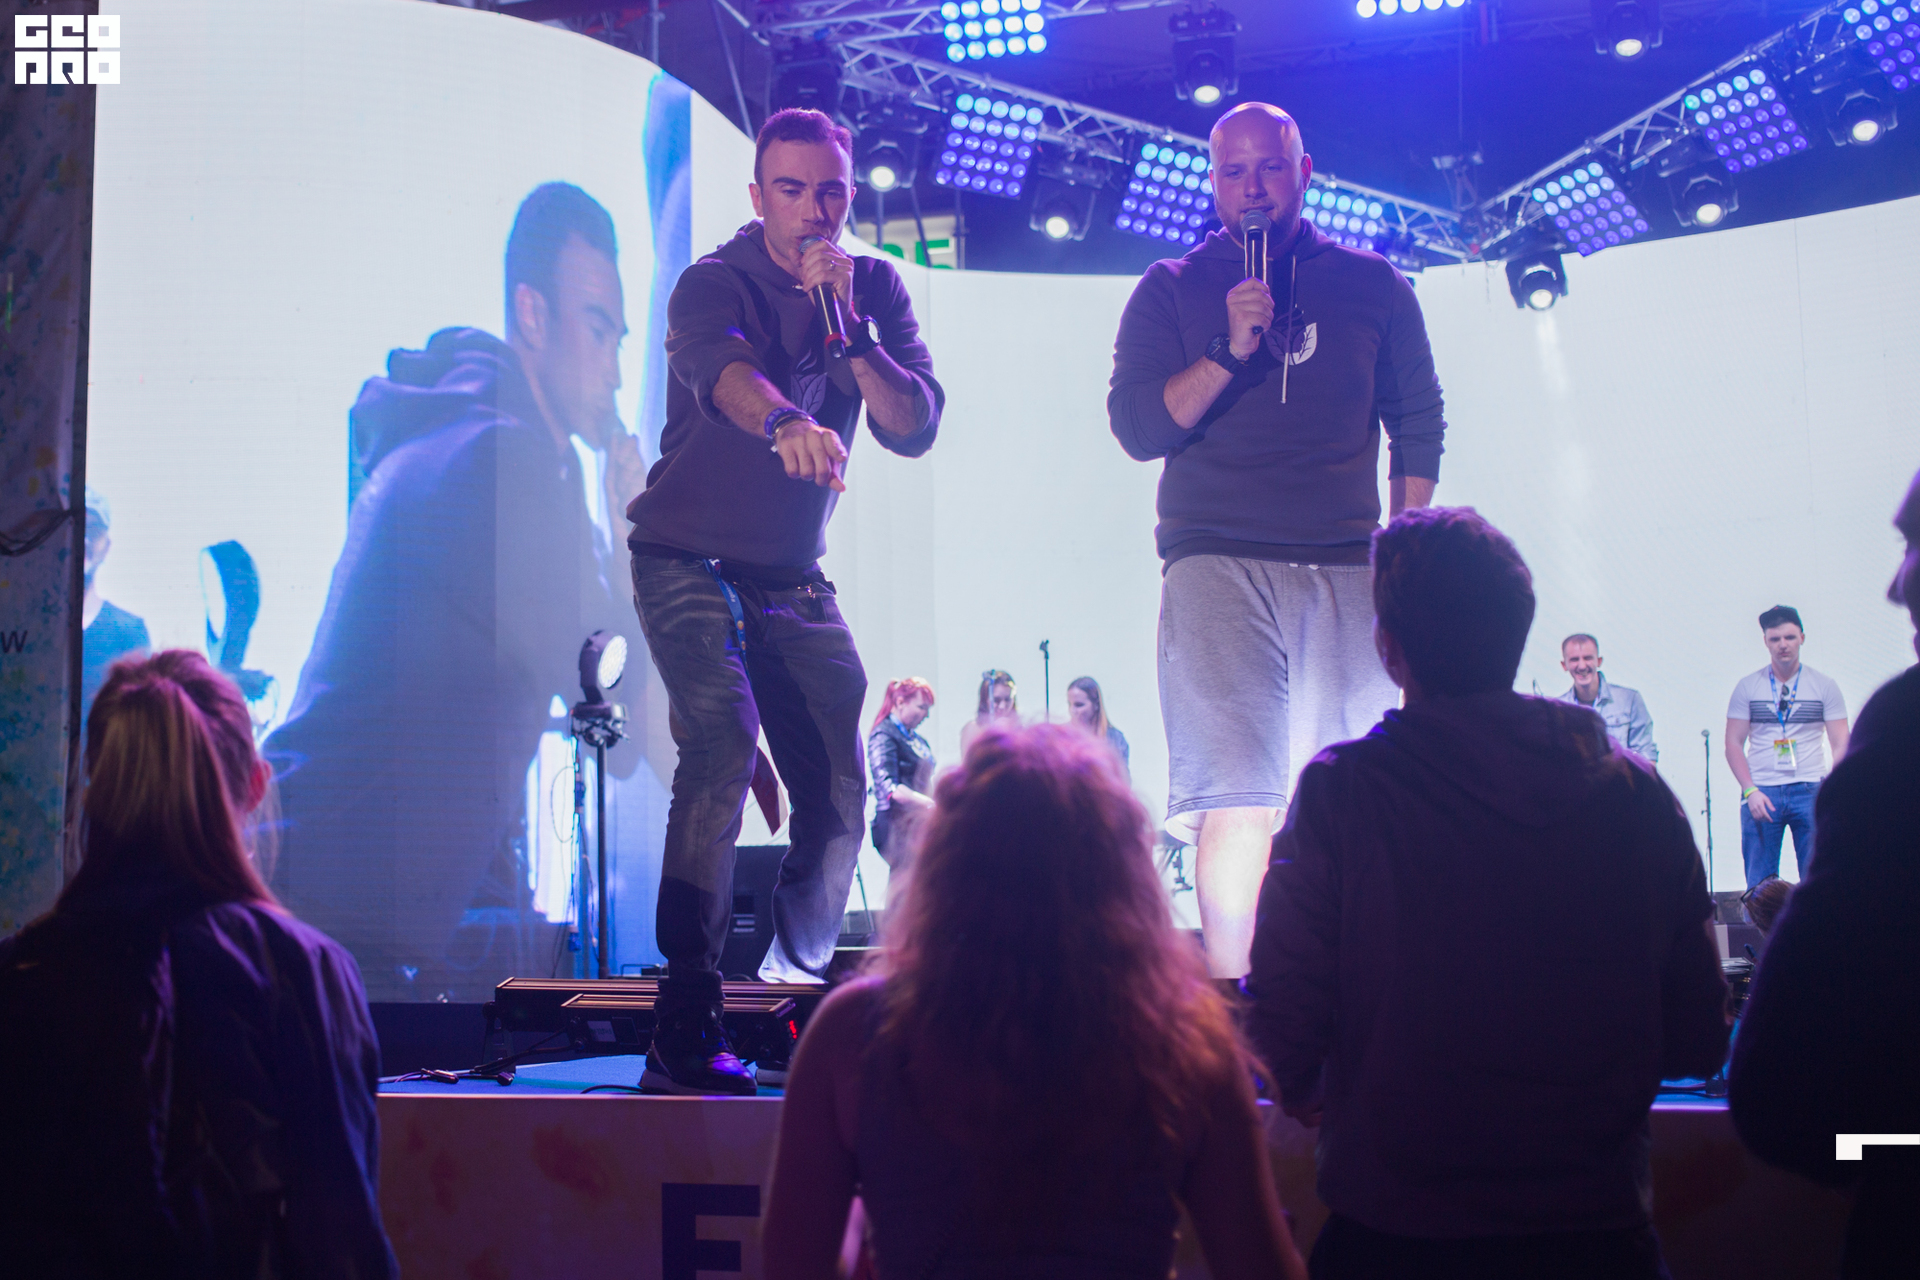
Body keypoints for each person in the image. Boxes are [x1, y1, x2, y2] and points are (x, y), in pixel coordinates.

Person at [1248, 508, 1728, 1279]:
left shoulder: (1344, 796)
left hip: (1395, 1242)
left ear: (1388, 648)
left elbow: (1282, 1029)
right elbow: (1698, 1036)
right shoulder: (1635, 794)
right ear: (1518, 633)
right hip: (1600, 1242)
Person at [625, 108, 943, 1094]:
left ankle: (790, 994)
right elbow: (723, 375)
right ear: (759, 196)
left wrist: (851, 333)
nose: (814, 212)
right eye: (793, 191)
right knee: (721, 740)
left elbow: (913, 424)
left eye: (831, 193)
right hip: (685, 559)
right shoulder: (713, 281)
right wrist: (787, 421)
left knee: (841, 794)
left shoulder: (871, 289)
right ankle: (686, 1015)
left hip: (792, 579)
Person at [264, 182, 641, 1001]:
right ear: (531, 314)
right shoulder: (504, 467)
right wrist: (632, 551)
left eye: (619, 338)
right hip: (311, 923)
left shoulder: (477, 438)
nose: (614, 370)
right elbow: (617, 724)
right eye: (597, 329)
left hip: (313, 904)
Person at [763, 724, 1306, 1280]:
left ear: (947, 865)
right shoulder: (1185, 1040)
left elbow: (793, 1267)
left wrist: (866, 1209)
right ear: (1118, 875)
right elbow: (1261, 1267)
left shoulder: (854, 1032)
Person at [1107, 102, 1447, 979]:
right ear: (1213, 181)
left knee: (1355, 797)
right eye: (1233, 171)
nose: (1252, 188)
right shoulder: (1170, 286)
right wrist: (1227, 349)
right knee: (1237, 795)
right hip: (1214, 558)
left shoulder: (1375, 284)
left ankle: (1359, 996)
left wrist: (1401, 554)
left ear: (1304, 171)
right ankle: (1238, 1000)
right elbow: (1139, 428)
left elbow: (1417, 422)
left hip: (1346, 564)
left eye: (1269, 167)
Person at [0, 652, 395, 1279]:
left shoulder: (21, 970)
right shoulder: (304, 969)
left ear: (93, 790)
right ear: (256, 785)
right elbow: (341, 1242)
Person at [1730, 469, 1920, 1279]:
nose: (1895, 585)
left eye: (1913, 545)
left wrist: (1897, 1159)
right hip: (1772, 792)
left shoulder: (1901, 729)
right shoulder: (1753, 691)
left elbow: (1774, 1108)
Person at [1724, 605, 1850, 887]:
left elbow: (1841, 741)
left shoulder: (1824, 686)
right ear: (1766, 642)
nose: (1783, 645)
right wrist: (1749, 790)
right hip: (1761, 790)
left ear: (1802, 638)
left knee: (1820, 878)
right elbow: (1733, 743)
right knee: (1760, 885)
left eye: (1790, 637)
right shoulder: (1748, 687)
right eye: (1775, 639)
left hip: (1810, 789)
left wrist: (1834, 788)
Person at [78, 486, 151, 726]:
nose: (84, 539)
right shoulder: (32, 626)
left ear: (106, 547)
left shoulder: (129, 632)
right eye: (77, 527)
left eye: (93, 530)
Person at [1554, 633, 1657, 763]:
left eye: (1587, 658)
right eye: (1574, 660)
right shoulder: (1557, 710)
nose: (1582, 666)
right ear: (1564, 665)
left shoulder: (1629, 700)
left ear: (1599, 661)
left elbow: (1646, 758)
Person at [867, 676, 936, 868]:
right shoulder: (883, 735)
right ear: (900, 702)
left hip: (916, 823)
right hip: (894, 826)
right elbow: (891, 788)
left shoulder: (917, 740)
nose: (926, 715)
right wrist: (930, 804)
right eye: (922, 707)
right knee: (906, 879)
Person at [1066, 674, 1131, 778]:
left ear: (1096, 705)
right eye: (1070, 704)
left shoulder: (1115, 738)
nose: (1072, 710)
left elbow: (1123, 780)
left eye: (1079, 705)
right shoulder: (1062, 738)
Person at [957, 667, 1018, 754]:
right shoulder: (973, 729)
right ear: (985, 699)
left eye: (1007, 700)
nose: (1002, 706)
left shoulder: (1019, 731)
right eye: (996, 700)